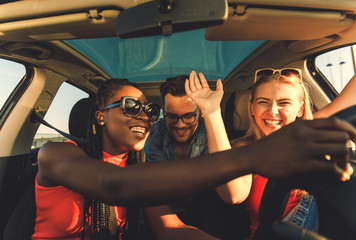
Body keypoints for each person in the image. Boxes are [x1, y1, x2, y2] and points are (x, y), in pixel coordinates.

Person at [33, 77, 354, 240]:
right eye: (132, 106)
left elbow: (171, 228)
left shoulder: (139, 168)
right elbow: (113, 186)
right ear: (101, 116)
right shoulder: (57, 154)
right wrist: (253, 156)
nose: (145, 116)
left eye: (150, 109)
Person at [230, 68, 356, 238]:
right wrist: (212, 111)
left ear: (300, 109)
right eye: (263, 102)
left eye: (284, 103)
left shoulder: (312, 134)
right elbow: (233, 195)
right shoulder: (244, 148)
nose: (273, 111)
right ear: (252, 108)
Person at [144, 71, 251, 239]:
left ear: (199, 112)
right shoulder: (155, 133)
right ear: (163, 111)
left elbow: (229, 189)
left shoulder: (211, 131)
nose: (180, 125)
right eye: (171, 116)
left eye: (188, 116)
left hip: (211, 215)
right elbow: (160, 182)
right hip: (167, 210)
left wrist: (211, 112)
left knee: (207, 202)